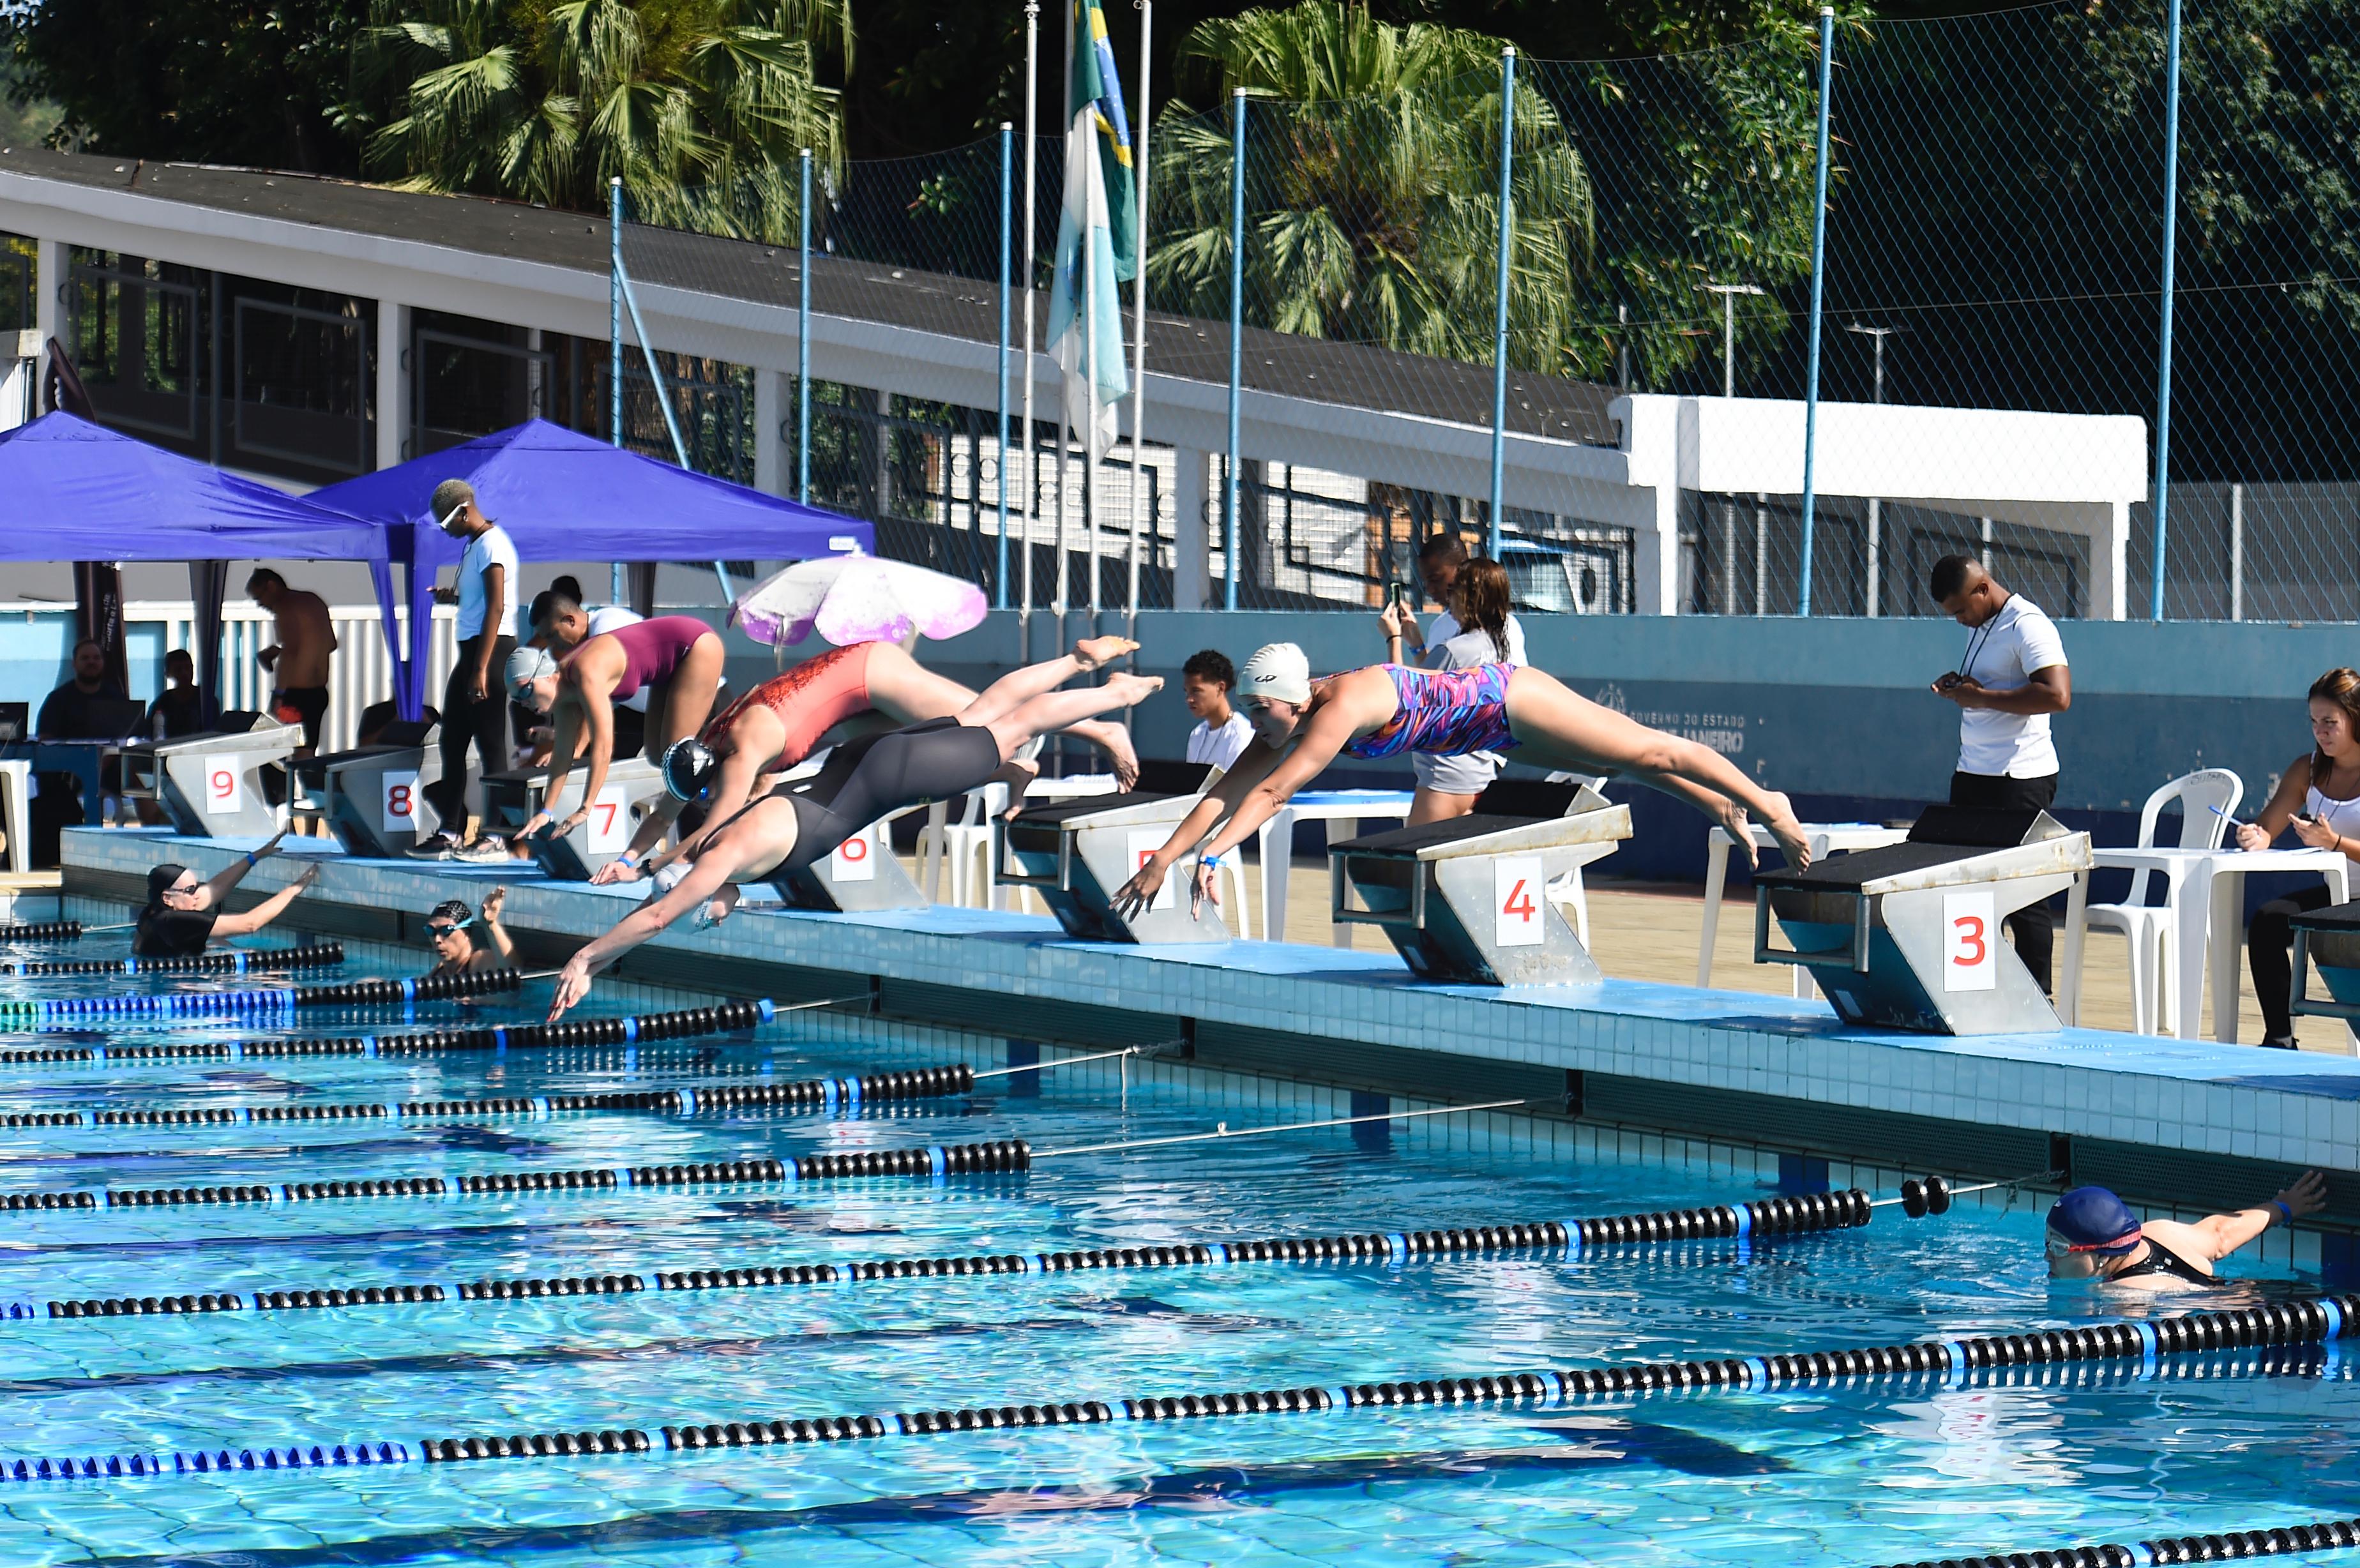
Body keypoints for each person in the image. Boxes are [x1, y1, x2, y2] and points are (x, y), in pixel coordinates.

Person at [547, 637, 1159, 1018]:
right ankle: (1076, 659)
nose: (703, 907)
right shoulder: (728, 835)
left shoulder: (720, 852)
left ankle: (1112, 696)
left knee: (1013, 727)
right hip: (857, 765)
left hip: (884, 778)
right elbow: (690, 883)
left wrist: (586, 955)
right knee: (984, 713)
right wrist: (607, 954)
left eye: (702, 905)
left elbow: (656, 916)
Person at [1110, 642, 1812, 922]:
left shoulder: (1338, 707)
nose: (1256, 723)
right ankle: (1722, 804)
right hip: (1494, 732)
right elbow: (1225, 795)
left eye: (1262, 710)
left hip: (1509, 698)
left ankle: (1764, 801)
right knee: (1634, 767)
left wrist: (1210, 856)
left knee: (1651, 749)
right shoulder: (1285, 722)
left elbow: (1271, 795)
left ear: (1292, 697)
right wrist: (1166, 860)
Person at [594, 640, 1142, 883]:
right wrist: (626, 856)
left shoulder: (739, 753)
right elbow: (670, 810)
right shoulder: (710, 740)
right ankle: (1015, 770)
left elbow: (715, 828)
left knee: (982, 718)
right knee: (938, 747)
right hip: (846, 712)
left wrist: (652, 868)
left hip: (865, 674)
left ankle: (1100, 725)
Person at [1928, 554, 2071, 996]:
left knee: (2022, 891)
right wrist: (1962, 687)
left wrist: (1983, 698)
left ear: (1983, 589)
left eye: (1960, 610)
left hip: (2018, 777)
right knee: (1967, 886)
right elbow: (1991, 686)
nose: (1958, 621)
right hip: (1974, 772)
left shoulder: (2027, 624)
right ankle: (1980, 990)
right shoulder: (1983, 626)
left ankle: (2036, 996)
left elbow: (2057, 695)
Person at [515, 615, 727, 845]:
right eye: (517, 699)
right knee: (658, 757)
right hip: (669, 662)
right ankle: (715, 793)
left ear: (546, 676)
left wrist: (586, 809)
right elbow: (563, 754)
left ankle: (729, 788)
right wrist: (546, 812)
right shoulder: (564, 694)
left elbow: (603, 745)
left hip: (696, 645)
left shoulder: (585, 673)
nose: (524, 702)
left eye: (525, 691)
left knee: (678, 759)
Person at [2235, 668, 2360, 1048]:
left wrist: (2335, 841)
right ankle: (2280, 1038)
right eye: (2313, 722)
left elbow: (2336, 843)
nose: (2320, 732)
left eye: (2330, 722)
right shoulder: (2307, 769)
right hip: (2340, 898)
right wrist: (2256, 836)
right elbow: (2270, 825)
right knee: (2268, 921)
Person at [410, 478, 518, 863]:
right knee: (451, 740)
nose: (447, 532)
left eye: (447, 524)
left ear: (465, 511)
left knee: (491, 745)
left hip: (491, 651)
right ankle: (450, 831)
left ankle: (496, 836)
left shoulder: (493, 543)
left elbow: (497, 607)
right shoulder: (475, 545)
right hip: (473, 651)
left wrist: (481, 669)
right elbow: (478, 600)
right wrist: (451, 596)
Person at [1382, 555, 1527, 825]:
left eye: (1453, 591)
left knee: (1412, 865)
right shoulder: (1501, 647)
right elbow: (1438, 685)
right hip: (1481, 777)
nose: (1449, 599)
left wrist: (1393, 639)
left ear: (1469, 598)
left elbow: (1402, 699)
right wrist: (1416, 645)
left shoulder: (1454, 650)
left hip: (1444, 780)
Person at [2045, 1173, 2326, 1290]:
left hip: (2271, 1323)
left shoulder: (2124, 1293)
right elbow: (2221, 1234)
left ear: (2103, 1254)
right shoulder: (2157, 1233)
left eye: (2058, 1247)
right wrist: (2284, 1207)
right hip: (2282, 1294)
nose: (2047, 1256)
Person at [134, 829, 321, 958]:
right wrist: (294, 889)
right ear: (167, 897)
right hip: (179, 987)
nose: (197, 895)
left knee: (222, 943)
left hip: (166, 977)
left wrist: (255, 856)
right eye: (190, 891)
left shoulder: (153, 913)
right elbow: (250, 924)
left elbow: (215, 889)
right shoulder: (175, 921)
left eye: (196, 887)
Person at [31, 637, 133, 863]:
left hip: (111, 766)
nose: (91, 662)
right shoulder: (58, 700)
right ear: (74, 664)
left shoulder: (115, 697)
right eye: (85, 658)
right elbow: (46, 739)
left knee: (144, 781)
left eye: (96, 658)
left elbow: (125, 736)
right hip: (68, 771)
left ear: (103, 663)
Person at [246, 568, 338, 757]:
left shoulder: (286, 607)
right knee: (307, 752)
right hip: (318, 693)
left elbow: (292, 653)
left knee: (277, 755)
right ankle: (307, 785)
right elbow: (330, 644)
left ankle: (283, 787)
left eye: (259, 598)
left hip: (294, 695)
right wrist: (282, 651)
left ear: (271, 586)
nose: (261, 604)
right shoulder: (313, 601)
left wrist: (279, 694)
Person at [1182, 650, 1253, 773]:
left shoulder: (1241, 735)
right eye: (1186, 691)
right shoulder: (1196, 734)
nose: (1189, 699)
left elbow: (1237, 787)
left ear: (1220, 688)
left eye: (1196, 691)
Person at [422, 886, 514, 977]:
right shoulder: (439, 972)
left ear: (466, 933)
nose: (437, 939)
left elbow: (511, 972)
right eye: (431, 930)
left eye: (446, 930)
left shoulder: (479, 960)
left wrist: (490, 925)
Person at [145, 649, 207, 741]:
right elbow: (151, 738)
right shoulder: (161, 704)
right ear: (168, 674)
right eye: (179, 669)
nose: (184, 673)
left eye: (187, 668)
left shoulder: (205, 701)